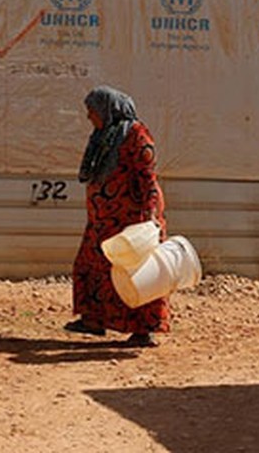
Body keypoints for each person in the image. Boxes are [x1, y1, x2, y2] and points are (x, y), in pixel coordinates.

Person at [68, 86, 169, 347]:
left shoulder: (136, 136)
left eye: (93, 111)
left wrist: (150, 217)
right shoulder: (103, 137)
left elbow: (148, 179)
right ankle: (93, 321)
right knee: (91, 268)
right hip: (102, 223)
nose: (90, 117)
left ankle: (143, 330)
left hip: (130, 221)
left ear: (107, 109)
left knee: (136, 274)